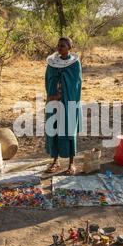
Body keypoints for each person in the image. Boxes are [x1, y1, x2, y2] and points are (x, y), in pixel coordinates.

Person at [45, 37, 82, 175]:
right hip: (54, 101)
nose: (59, 48)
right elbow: (48, 79)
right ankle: (55, 161)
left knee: (68, 129)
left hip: (69, 101)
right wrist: (53, 94)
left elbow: (75, 83)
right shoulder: (52, 62)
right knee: (54, 129)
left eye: (62, 46)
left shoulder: (74, 63)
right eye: (58, 45)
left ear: (69, 47)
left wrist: (63, 92)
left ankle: (71, 163)